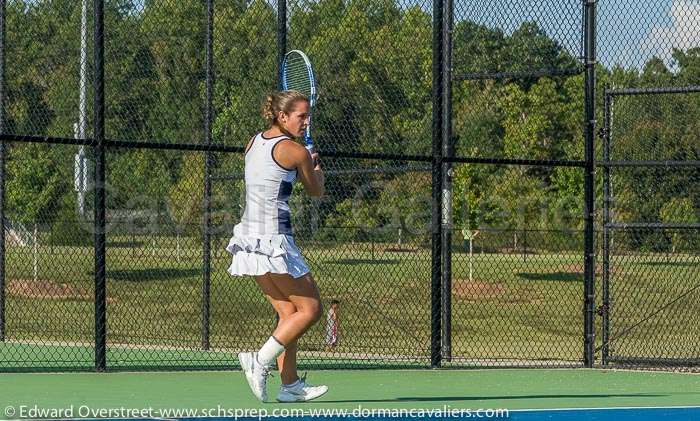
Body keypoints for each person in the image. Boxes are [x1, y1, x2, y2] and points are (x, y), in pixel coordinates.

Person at [226, 90, 327, 403]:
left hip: (249, 238)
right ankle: (259, 360)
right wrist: (315, 166)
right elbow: (316, 191)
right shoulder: (295, 152)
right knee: (310, 310)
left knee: (288, 314)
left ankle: (290, 385)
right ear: (282, 117)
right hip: (273, 239)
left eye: (308, 116)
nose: (306, 122)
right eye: (301, 116)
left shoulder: (253, 142)